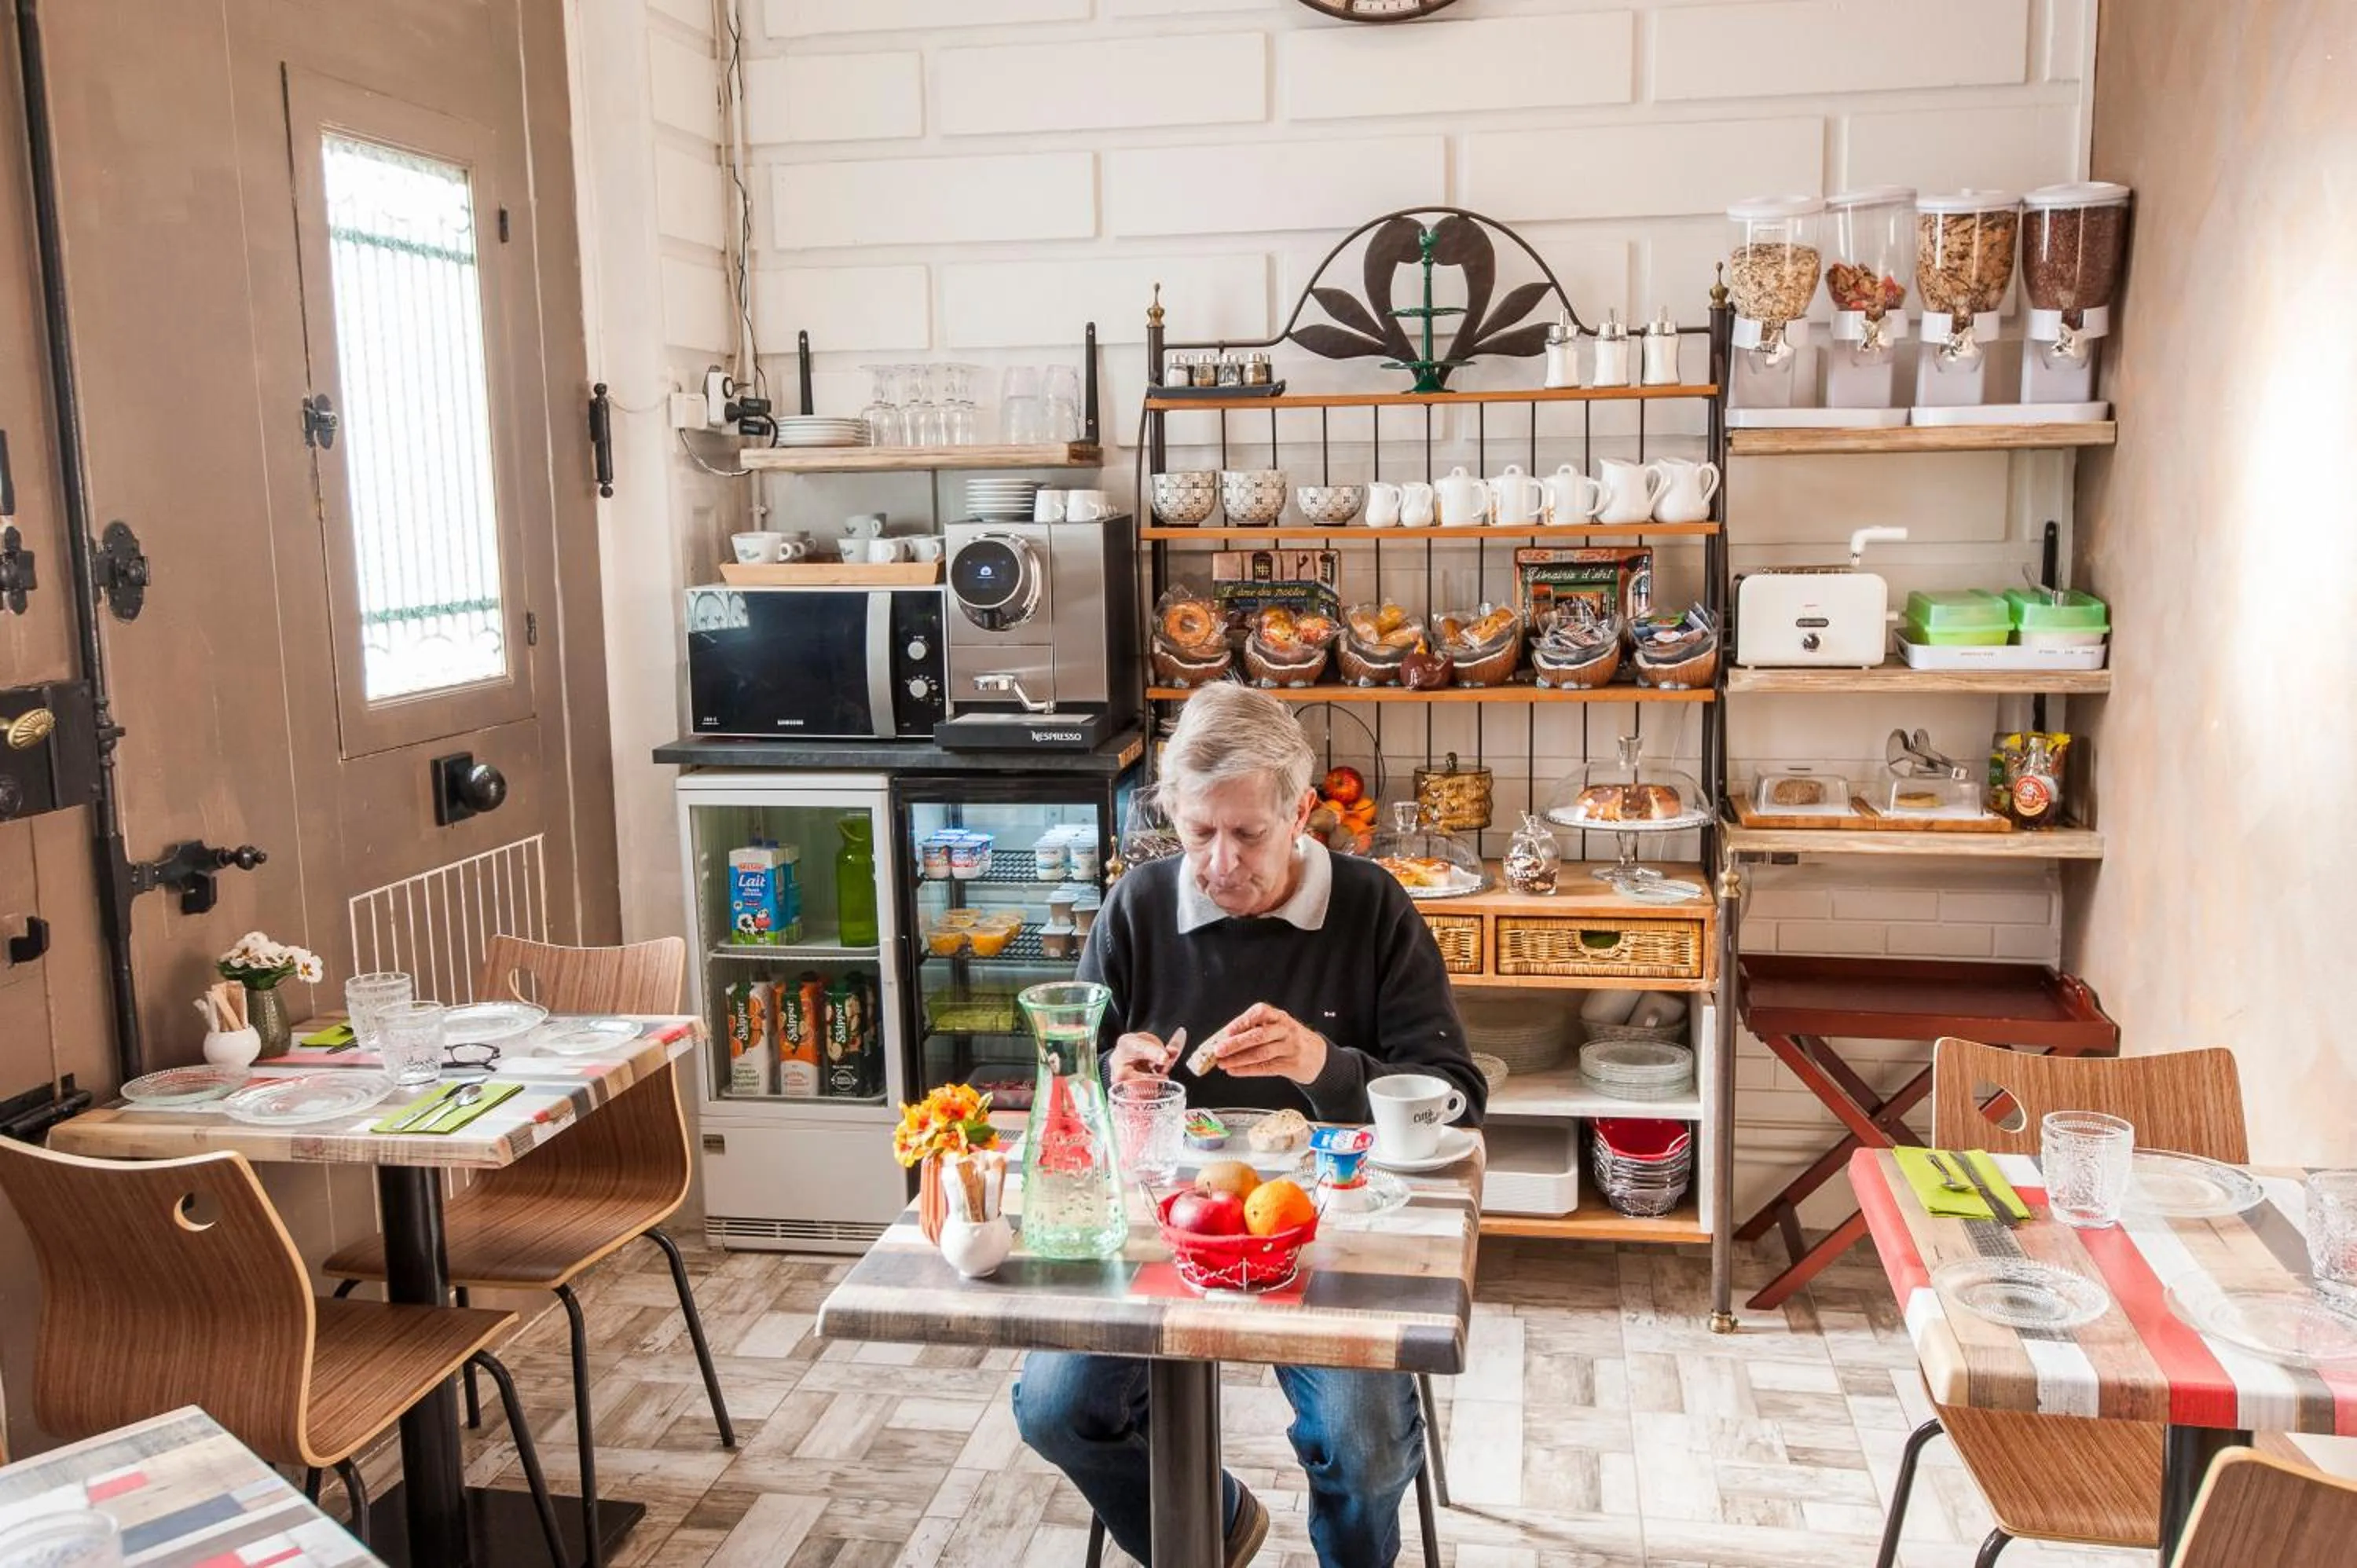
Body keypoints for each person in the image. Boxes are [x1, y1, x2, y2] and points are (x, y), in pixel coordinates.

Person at [1012, 683, 1485, 1567]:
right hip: (1166, 1232)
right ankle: (1216, 1524)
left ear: (1301, 814)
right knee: (1054, 1409)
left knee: (1365, 1445)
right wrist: (1114, 1073)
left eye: (1248, 834)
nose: (1220, 863)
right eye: (1199, 833)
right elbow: (1068, 1081)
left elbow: (1456, 1094)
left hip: (1334, 1234)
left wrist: (1321, 1065)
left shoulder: (1372, 907)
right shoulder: (1139, 907)